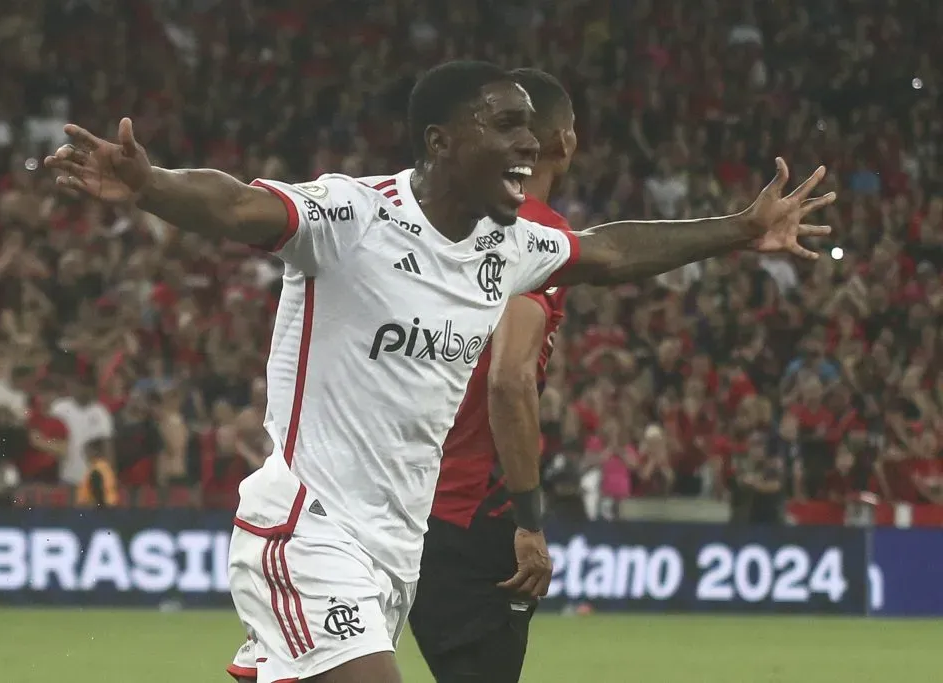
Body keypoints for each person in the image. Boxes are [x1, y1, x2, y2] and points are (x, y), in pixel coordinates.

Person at [46, 60, 834, 683]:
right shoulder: (353, 217)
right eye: (505, 124)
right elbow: (242, 208)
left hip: (395, 552)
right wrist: (150, 186)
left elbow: (612, 251)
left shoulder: (509, 245)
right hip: (309, 530)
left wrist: (741, 228)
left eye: (532, 126)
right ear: (439, 142)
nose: (530, 143)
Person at [407, 68, 576, 683]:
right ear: (565, 142)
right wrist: (529, 523)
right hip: (474, 512)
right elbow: (509, 377)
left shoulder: (463, 217)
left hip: (412, 499)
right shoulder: (536, 233)